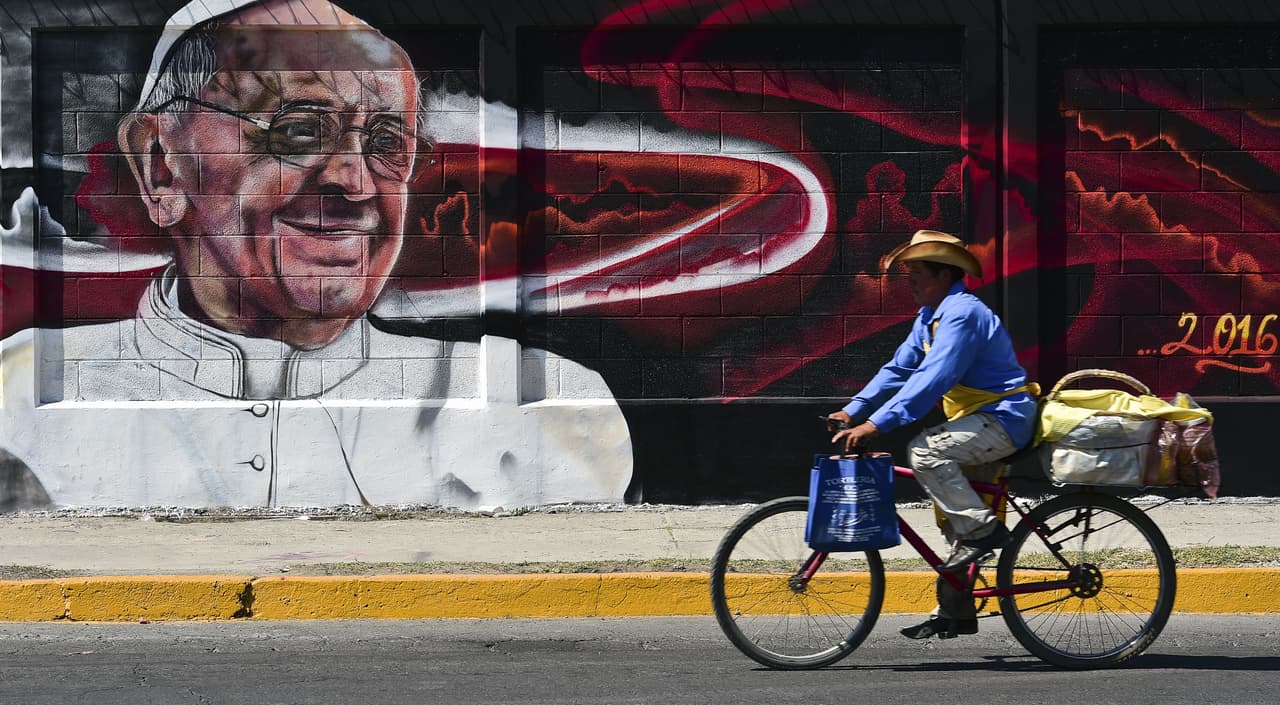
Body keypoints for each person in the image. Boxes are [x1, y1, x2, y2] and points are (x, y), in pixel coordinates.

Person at [0, 0, 632, 510]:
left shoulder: (536, 404)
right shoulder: (18, 397)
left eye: (387, 141)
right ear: (162, 168)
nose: (355, 183)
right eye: (299, 129)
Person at [828, 229, 1037, 640]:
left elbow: (931, 378)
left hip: (1004, 419)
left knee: (925, 452)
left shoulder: (962, 314)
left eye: (916, 272)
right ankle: (955, 611)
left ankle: (986, 532)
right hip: (977, 421)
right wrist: (853, 408)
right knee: (955, 524)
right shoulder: (931, 316)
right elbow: (899, 368)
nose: (909, 281)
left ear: (944, 274)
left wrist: (876, 424)